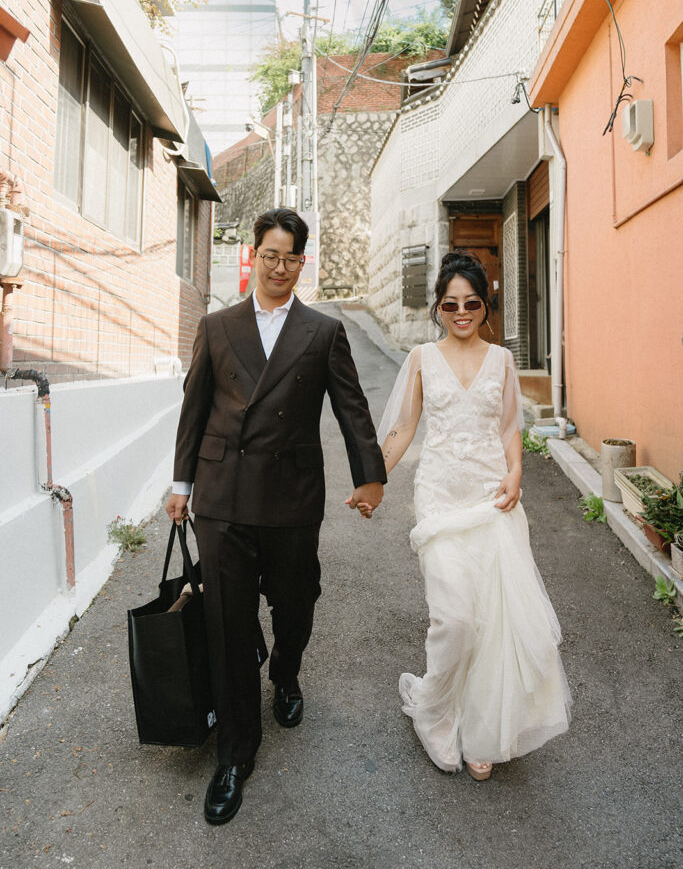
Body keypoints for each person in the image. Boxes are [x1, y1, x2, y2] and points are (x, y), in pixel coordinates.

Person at [166, 207, 386, 824]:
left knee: (296, 602)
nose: (281, 267)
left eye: (292, 258)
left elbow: (351, 406)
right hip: (222, 496)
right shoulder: (216, 327)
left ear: (301, 262)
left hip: (290, 496)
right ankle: (235, 754)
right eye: (271, 255)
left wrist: (369, 476)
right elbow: (194, 409)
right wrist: (181, 482)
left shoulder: (322, 331)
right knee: (228, 623)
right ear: (253, 256)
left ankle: (285, 671)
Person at [366, 250, 571, 780]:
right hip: (438, 498)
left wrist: (516, 471)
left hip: (491, 498)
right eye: (451, 303)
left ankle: (482, 726)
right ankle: (435, 711)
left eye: (472, 303)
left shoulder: (502, 360)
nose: (462, 312)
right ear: (439, 307)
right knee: (455, 619)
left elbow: (507, 428)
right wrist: (375, 480)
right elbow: (404, 428)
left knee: (493, 618)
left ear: (486, 307)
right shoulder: (420, 358)